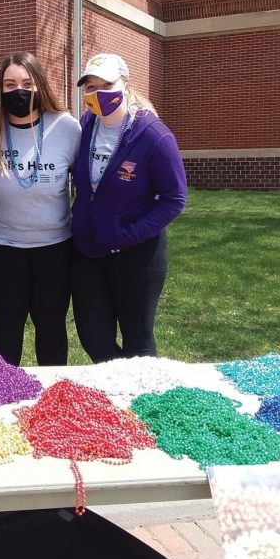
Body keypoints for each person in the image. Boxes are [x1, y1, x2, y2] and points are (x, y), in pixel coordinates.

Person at [70, 53, 187, 363]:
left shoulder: (154, 136)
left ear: (124, 84)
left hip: (137, 256)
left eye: (106, 85)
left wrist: (127, 234)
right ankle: (117, 397)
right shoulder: (86, 125)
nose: (97, 94)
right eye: (90, 87)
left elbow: (175, 198)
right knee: (94, 338)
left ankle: (141, 403)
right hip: (88, 253)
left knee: (138, 342)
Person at [0, 53, 80, 366]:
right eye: (10, 84)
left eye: (26, 83)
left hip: (55, 246)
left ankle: (53, 397)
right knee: (7, 322)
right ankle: (4, 395)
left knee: (51, 324)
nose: (18, 90)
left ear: (40, 85)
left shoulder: (66, 127)